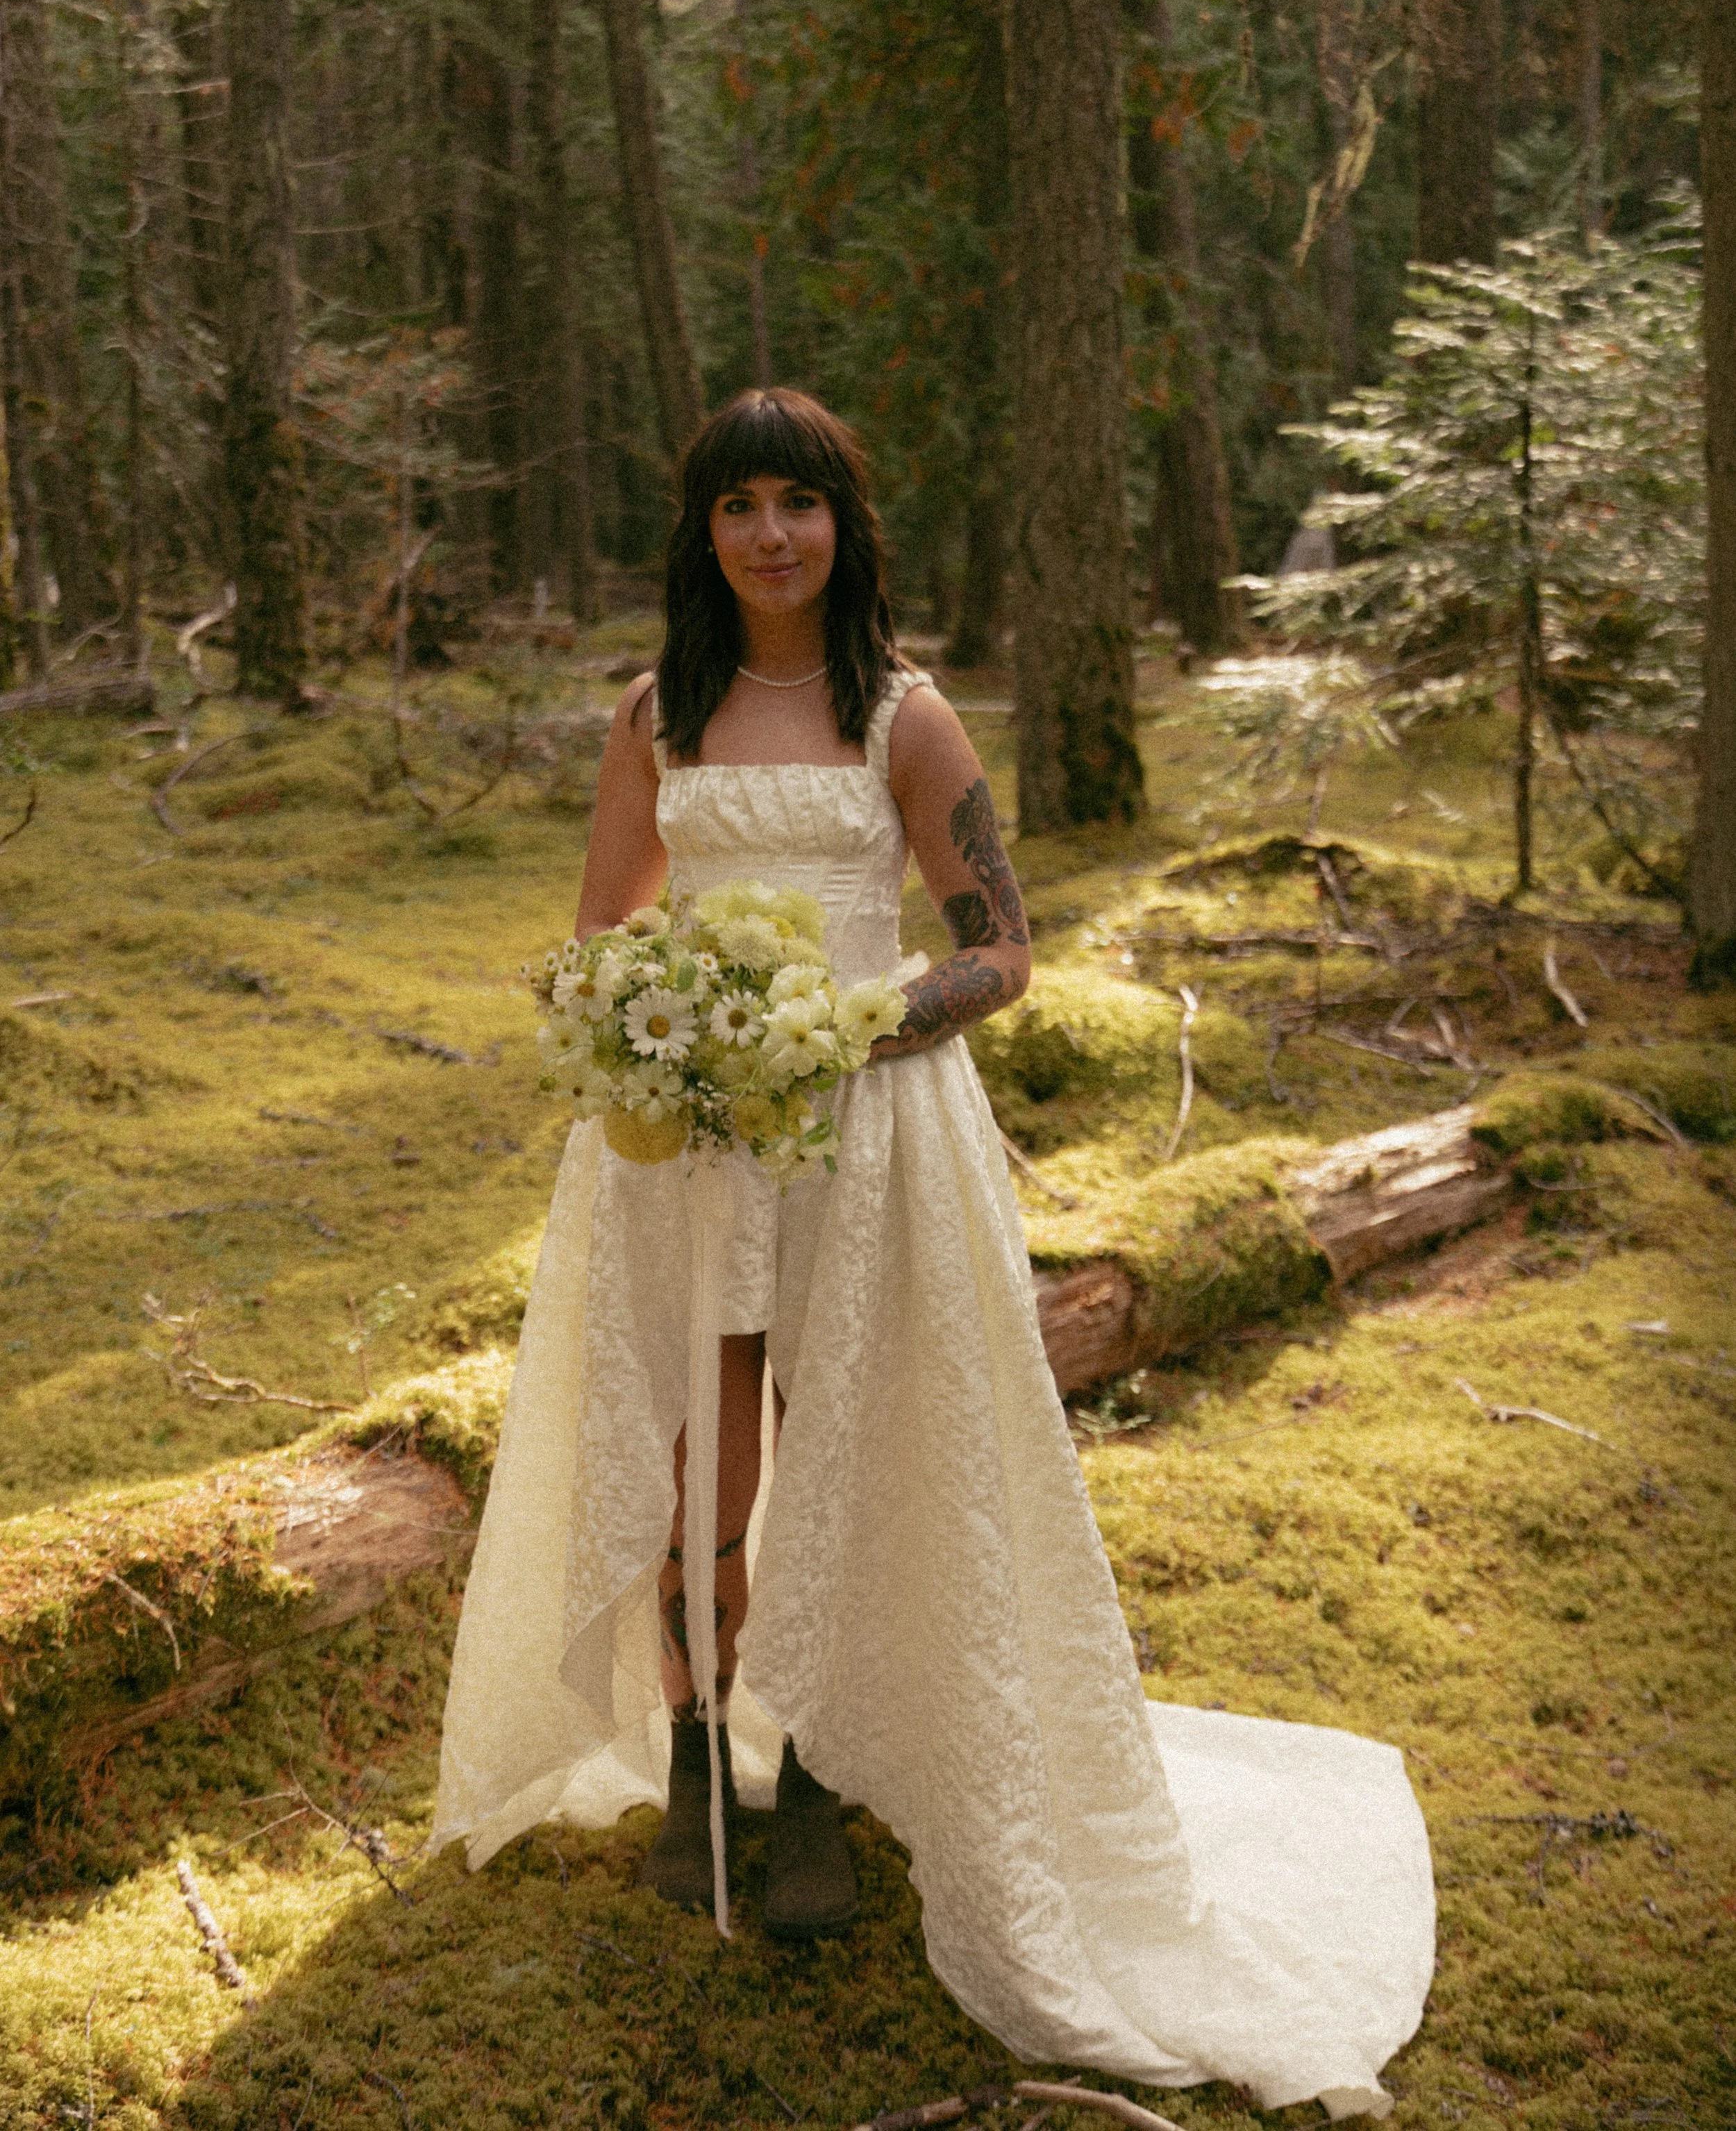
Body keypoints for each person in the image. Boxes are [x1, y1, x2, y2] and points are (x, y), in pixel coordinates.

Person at [434, 390, 1435, 2119]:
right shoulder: (650, 715)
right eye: (738, 506)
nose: (769, 537)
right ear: (702, 531)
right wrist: (642, 1024)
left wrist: (841, 1028)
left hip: (870, 1131)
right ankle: (702, 1748)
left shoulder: (898, 716)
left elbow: (1002, 951)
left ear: (844, 524)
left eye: (799, 505)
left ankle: (815, 1756)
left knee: (867, 1437)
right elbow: (594, 932)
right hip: (685, 1141)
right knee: (700, 1443)